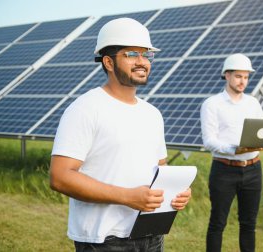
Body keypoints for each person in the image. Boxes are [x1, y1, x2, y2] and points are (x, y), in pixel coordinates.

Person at [49, 18, 191, 252]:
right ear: (108, 62)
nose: (142, 62)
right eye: (132, 54)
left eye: (146, 55)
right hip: (104, 239)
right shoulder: (85, 109)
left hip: (151, 234)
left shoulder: (152, 114)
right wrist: (127, 197)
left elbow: (161, 171)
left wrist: (177, 192)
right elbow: (60, 176)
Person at [200, 53, 263, 252]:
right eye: (238, 76)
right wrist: (234, 150)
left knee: (249, 224)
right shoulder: (211, 104)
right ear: (226, 75)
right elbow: (209, 141)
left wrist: (262, 143)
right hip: (224, 170)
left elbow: (261, 131)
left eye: (246, 77)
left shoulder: (253, 103)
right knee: (217, 223)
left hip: (253, 169)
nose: (243, 81)